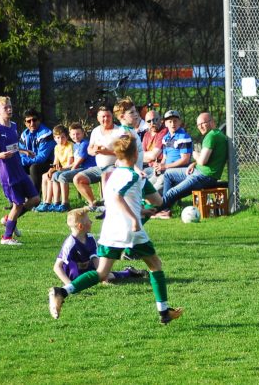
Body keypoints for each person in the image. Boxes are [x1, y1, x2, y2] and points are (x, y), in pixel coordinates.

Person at [48, 136, 183, 325]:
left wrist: (140, 210)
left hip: (109, 230)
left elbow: (116, 199)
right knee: (155, 265)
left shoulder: (113, 175)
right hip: (128, 230)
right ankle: (163, 312)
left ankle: (62, 291)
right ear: (136, 154)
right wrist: (135, 218)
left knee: (102, 273)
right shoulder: (136, 176)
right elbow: (142, 200)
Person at [0, 96, 41, 245]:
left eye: (10, 106)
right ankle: (7, 237)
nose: (9, 109)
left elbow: (13, 147)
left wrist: (24, 151)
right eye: (5, 108)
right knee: (18, 204)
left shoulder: (14, 126)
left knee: (35, 199)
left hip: (19, 170)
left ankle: (8, 219)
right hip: (7, 174)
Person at [153, 111, 227, 220]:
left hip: (203, 176)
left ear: (212, 122)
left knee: (173, 192)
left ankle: (151, 212)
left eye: (203, 123)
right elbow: (207, 159)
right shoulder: (217, 134)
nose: (200, 127)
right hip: (199, 172)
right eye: (198, 125)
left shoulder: (211, 137)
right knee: (168, 174)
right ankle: (165, 209)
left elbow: (202, 161)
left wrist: (195, 155)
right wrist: (194, 163)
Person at [53, 207, 148, 286]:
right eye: (88, 220)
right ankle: (128, 272)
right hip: (74, 272)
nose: (91, 222)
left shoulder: (90, 238)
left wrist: (103, 277)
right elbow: (57, 267)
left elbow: (95, 258)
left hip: (87, 269)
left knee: (105, 274)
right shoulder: (70, 244)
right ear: (81, 226)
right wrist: (69, 285)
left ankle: (128, 272)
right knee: (82, 279)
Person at [73, 106, 123, 210]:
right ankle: (93, 203)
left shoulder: (119, 131)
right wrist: (94, 151)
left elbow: (124, 154)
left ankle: (107, 205)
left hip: (114, 166)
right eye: (103, 116)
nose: (106, 119)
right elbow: (89, 150)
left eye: (108, 116)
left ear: (112, 116)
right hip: (98, 167)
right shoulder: (95, 131)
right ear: (98, 118)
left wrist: (107, 152)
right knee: (78, 179)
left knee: (105, 175)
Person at [150, 110, 192, 198]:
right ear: (165, 123)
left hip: (179, 171)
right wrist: (159, 166)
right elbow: (165, 158)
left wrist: (165, 166)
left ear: (179, 122)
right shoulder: (165, 138)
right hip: (167, 169)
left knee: (153, 191)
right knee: (148, 182)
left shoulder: (184, 137)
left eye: (175, 121)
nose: (173, 123)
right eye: (170, 121)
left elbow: (185, 160)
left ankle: (162, 207)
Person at [53, 123, 95, 209]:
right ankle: (56, 203)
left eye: (78, 134)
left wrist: (68, 171)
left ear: (83, 133)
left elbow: (78, 163)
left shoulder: (84, 144)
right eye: (73, 134)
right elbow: (74, 162)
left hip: (86, 168)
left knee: (63, 176)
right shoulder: (76, 145)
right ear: (70, 135)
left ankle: (65, 203)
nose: (75, 136)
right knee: (55, 175)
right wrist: (63, 168)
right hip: (79, 167)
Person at [36, 125, 73, 213]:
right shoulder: (56, 147)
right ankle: (45, 202)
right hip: (62, 168)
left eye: (63, 137)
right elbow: (55, 162)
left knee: (54, 175)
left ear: (67, 137)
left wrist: (56, 170)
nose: (60, 140)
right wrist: (52, 169)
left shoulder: (70, 146)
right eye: (58, 138)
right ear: (54, 138)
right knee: (45, 176)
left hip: (69, 168)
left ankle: (55, 202)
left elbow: (70, 164)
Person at [18, 109, 56, 194]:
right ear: (25, 123)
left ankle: (35, 198)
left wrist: (23, 161)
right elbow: (21, 152)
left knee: (34, 168)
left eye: (34, 120)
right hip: (31, 162)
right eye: (29, 121)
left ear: (39, 120)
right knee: (15, 167)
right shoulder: (24, 134)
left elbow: (42, 157)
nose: (32, 123)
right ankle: (16, 201)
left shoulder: (46, 133)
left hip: (51, 163)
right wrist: (21, 161)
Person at [113, 98, 144, 176]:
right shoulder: (125, 133)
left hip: (136, 173)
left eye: (135, 111)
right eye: (131, 112)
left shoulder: (131, 130)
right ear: (122, 116)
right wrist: (137, 171)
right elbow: (126, 158)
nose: (136, 114)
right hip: (131, 175)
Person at [141, 110, 167, 190]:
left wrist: (146, 155)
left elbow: (154, 155)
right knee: (137, 178)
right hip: (149, 167)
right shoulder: (146, 134)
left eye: (155, 119)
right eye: (149, 121)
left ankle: (150, 200)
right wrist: (147, 155)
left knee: (153, 186)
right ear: (146, 123)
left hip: (162, 167)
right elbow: (140, 155)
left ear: (161, 120)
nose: (152, 123)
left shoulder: (164, 131)